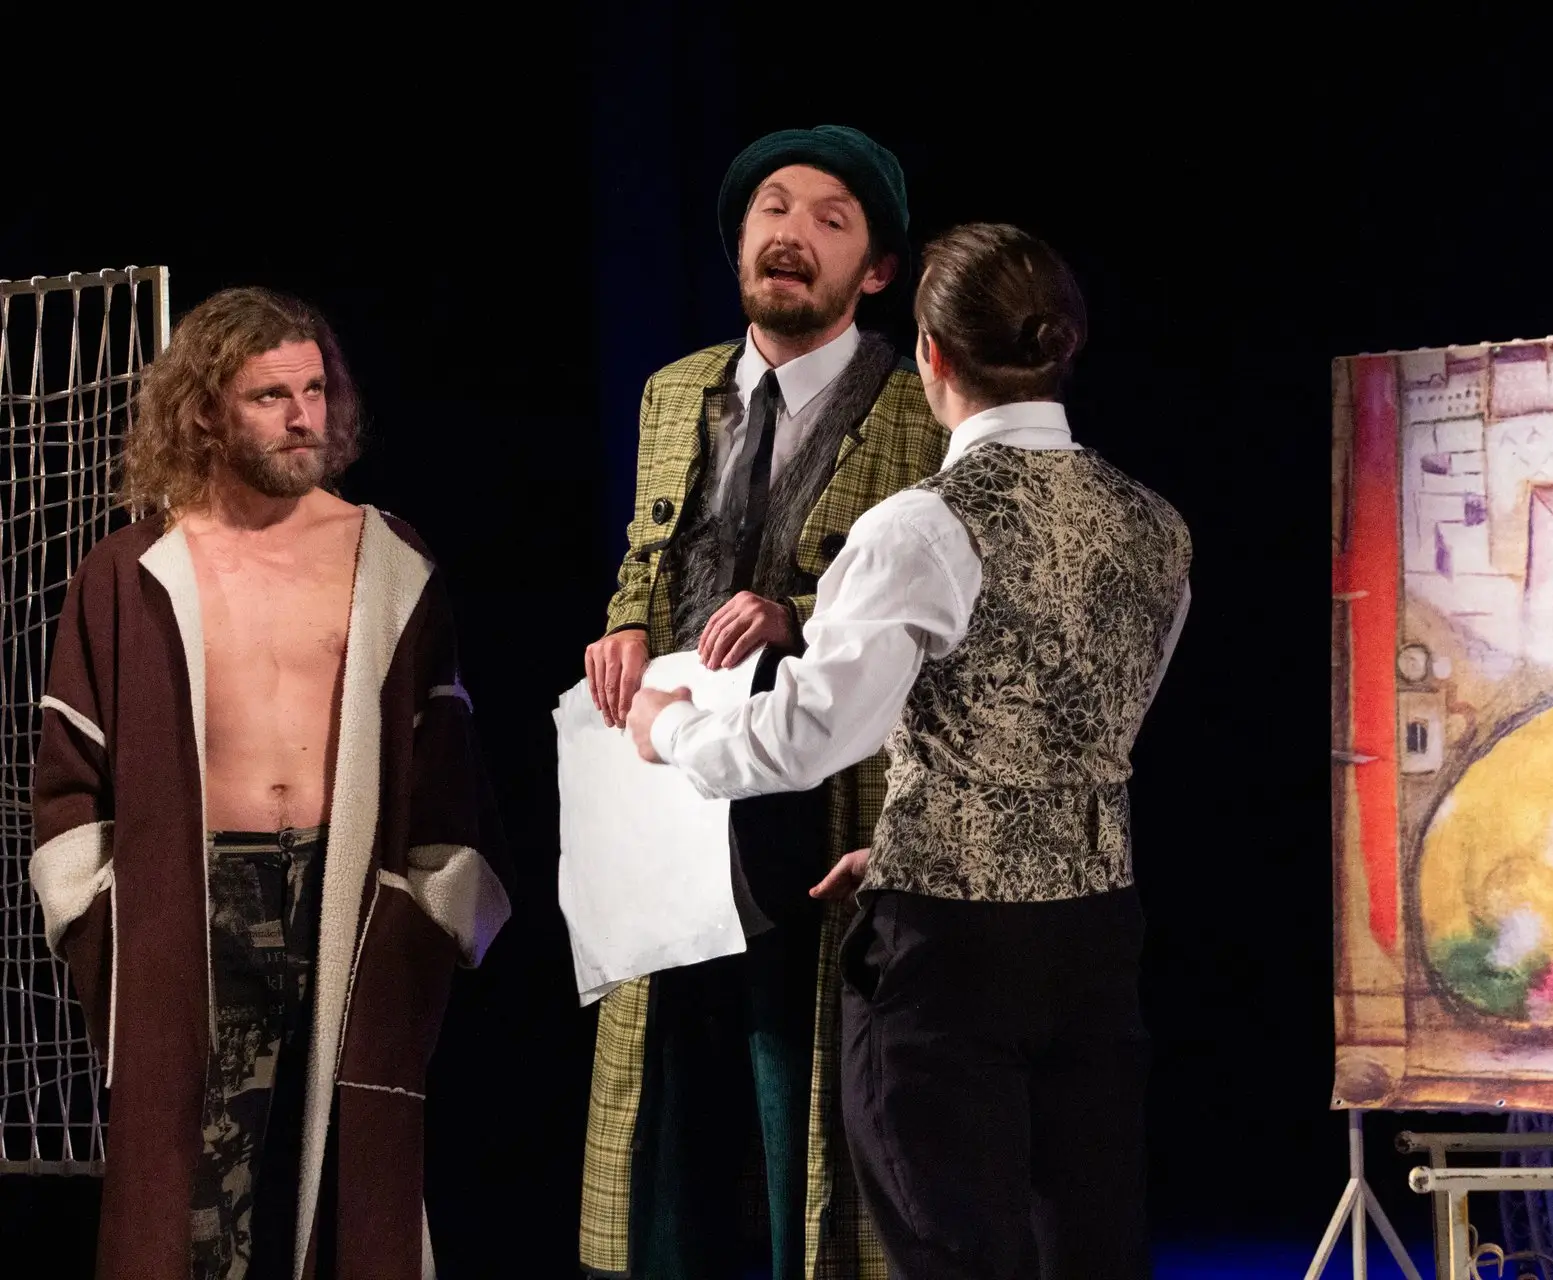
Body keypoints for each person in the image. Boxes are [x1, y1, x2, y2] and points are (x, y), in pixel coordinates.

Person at [629, 223, 1193, 1279]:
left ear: (931, 353)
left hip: (951, 956)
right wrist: (907, 838)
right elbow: (1080, 728)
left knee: (955, 1254)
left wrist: (669, 729)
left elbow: (806, 734)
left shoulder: (923, 526)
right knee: (1089, 1254)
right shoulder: (1155, 523)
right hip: (1095, 940)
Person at [30, 287, 513, 1280]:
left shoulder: (388, 557)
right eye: (271, 396)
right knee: (194, 1215)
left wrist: (430, 916)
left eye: (316, 390)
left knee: (348, 1194)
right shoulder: (134, 570)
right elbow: (71, 775)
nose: (305, 417)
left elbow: (446, 766)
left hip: (347, 900)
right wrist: (104, 923)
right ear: (205, 410)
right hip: (195, 905)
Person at [577, 124, 946, 1280]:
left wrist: (800, 613)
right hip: (669, 799)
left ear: (874, 271)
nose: (792, 235)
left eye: (831, 221)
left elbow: (943, 615)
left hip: (816, 803)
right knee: (669, 1112)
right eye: (773, 209)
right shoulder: (677, 390)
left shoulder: (915, 412)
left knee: (806, 1114)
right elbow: (651, 554)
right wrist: (625, 617)